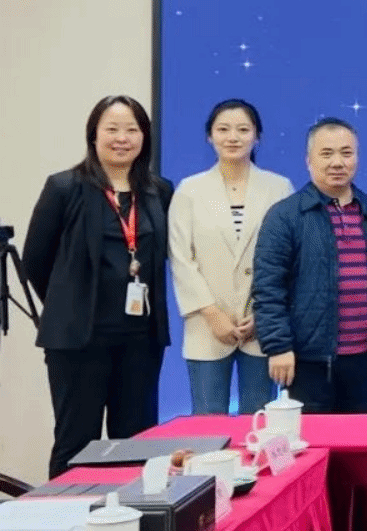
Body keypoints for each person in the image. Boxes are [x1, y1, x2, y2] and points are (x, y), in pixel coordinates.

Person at [23, 95, 173, 477]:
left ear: (144, 137)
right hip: (79, 341)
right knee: (76, 443)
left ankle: (133, 515)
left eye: (132, 129)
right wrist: (68, 303)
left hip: (140, 341)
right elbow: (35, 261)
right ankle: (66, 513)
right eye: (112, 129)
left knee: (137, 443)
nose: (122, 138)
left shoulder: (158, 191)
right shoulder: (64, 187)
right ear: (94, 135)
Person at [252, 117, 367, 414]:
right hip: (307, 361)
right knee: (311, 439)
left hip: (365, 359)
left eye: (346, 153)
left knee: (361, 439)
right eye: (326, 154)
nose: (337, 162)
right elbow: (268, 288)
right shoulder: (286, 215)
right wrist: (278, 346)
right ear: (309, 161)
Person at [169, 99, 293, 416]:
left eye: (243, 130)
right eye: (223, 129)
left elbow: (290, 257)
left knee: (261, 422)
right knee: (207, 424)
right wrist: (212, 313)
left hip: (261, 326)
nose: (233, 137)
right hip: (207, 326)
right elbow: (181, 258)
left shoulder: (279, 188)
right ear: (210, 136)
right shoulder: (189, 190)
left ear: (257, 136)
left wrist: (264, 314)